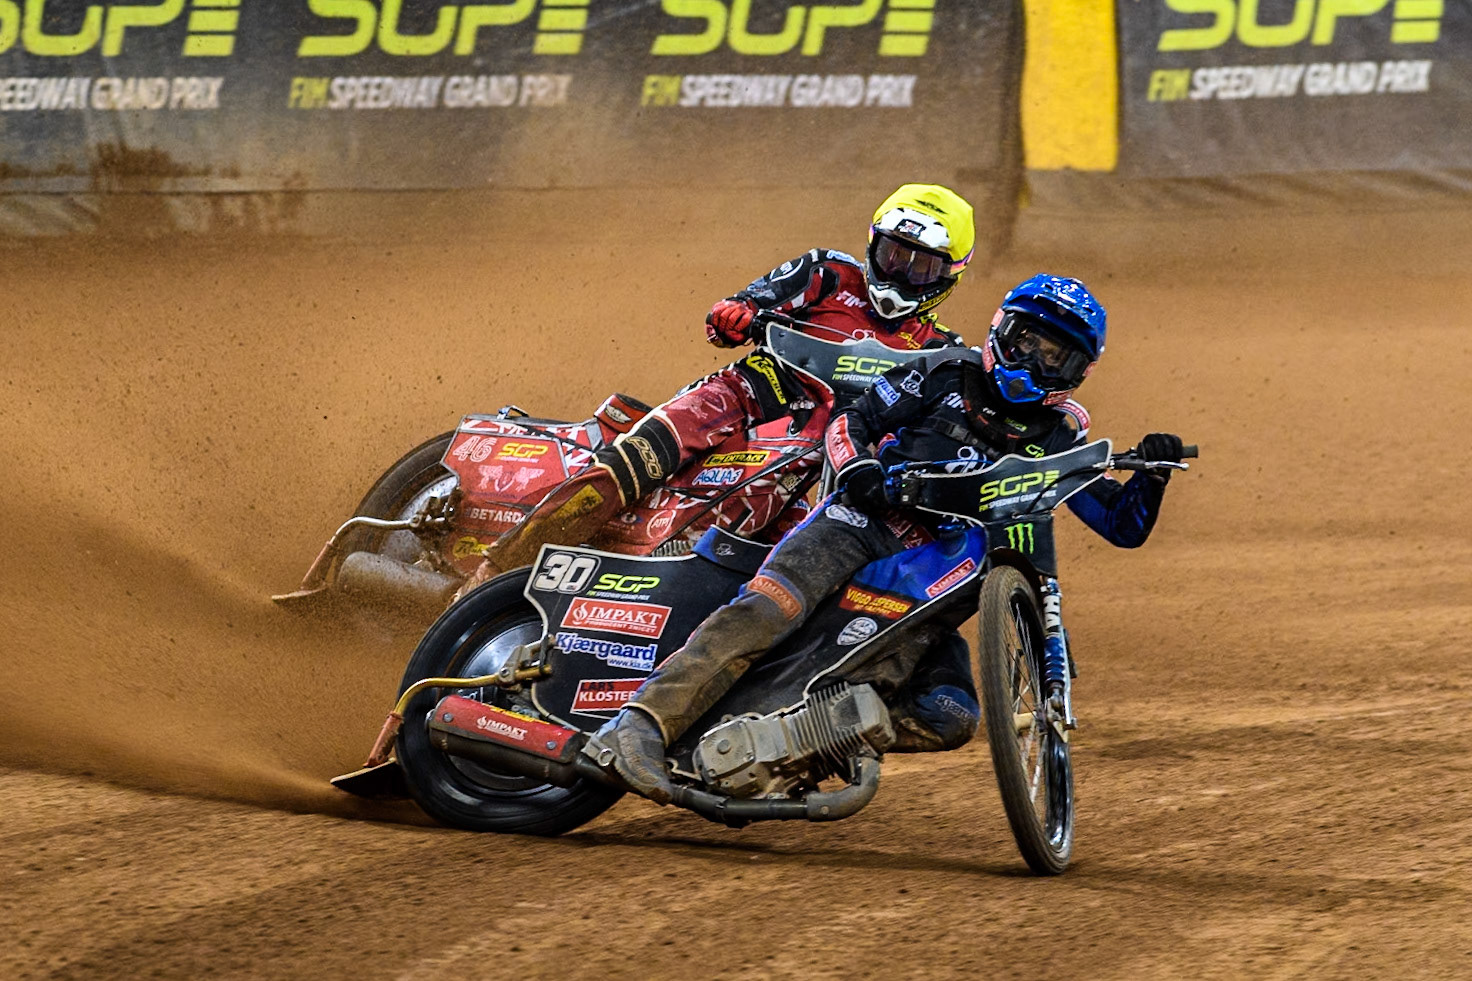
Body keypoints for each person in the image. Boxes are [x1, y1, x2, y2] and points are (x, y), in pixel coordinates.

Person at [588, 274, 1188, 804]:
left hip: (939, 577)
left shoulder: (1060, 435)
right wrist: (859, 468)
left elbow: (1121, 525)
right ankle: (639, 726)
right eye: (1027, 342)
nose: (1031, 363)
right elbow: (855, 422)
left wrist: (1151, 477)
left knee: (952, 715)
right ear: (1003, 331)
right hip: (858, 526)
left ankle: (793, 743)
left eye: (1051, 357)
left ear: (1077, 373)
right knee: (769, 610)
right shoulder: (943, 372)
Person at [453, 184, 977, 591]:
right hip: (747, 396)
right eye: (892, 255)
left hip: (833, 453)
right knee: (636, 462)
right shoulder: (828, 272)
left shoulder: (942, 351)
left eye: (921, 264)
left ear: (949, 275)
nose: (901, 272)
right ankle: (491, 573)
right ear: (872, 244)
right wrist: (735, 314)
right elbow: (742, 305)